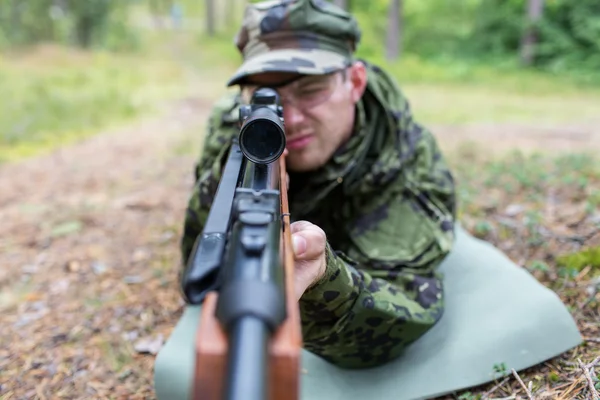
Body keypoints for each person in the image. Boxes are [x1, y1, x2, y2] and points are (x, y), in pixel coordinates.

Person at [180, 0, 456, 369]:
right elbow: (198, 264)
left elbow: (406, 308)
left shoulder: (401, 156)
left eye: (311, 91)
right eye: (267, 97)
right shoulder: (235, 126)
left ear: (355, 82)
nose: (290, 120)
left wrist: (325, 281)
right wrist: (234, 186)